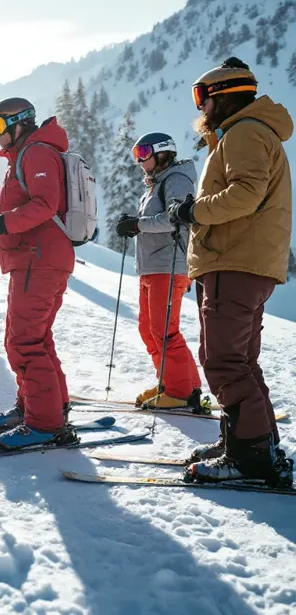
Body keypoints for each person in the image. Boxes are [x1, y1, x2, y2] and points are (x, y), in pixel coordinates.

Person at [169, 57, 293, 488]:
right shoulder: (250, 133)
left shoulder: (243, 133)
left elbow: (245, 194)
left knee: (223, 362)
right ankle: (251, 444)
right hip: (247, 261)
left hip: (235, 260)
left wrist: (192, 211)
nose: (200, 108)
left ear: (223, 97)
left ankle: (251, 459)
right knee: (242, 362)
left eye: (203, 97)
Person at [0, 98, 76, 450]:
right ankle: (45, 407)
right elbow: (29, 205)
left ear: (20, 123)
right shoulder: (28, 154)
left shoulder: (36, 153)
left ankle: (45, 423)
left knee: (24, 341)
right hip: (39, 257)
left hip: (39, 258)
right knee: (37, 337)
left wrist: (1, 223)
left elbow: (44, 205)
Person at [114, 132, 202, 410]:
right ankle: (178, 384)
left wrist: (137, 225)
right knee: (149, 330)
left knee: (164, 332)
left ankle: (178, 392)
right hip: (152, 266)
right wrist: (136, 224)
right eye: (136, 155)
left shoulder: (176, 180)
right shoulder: (155, 184)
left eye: (143, 153)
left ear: (162, 153)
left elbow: (174, 218)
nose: (139, 161)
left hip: (169, 264)